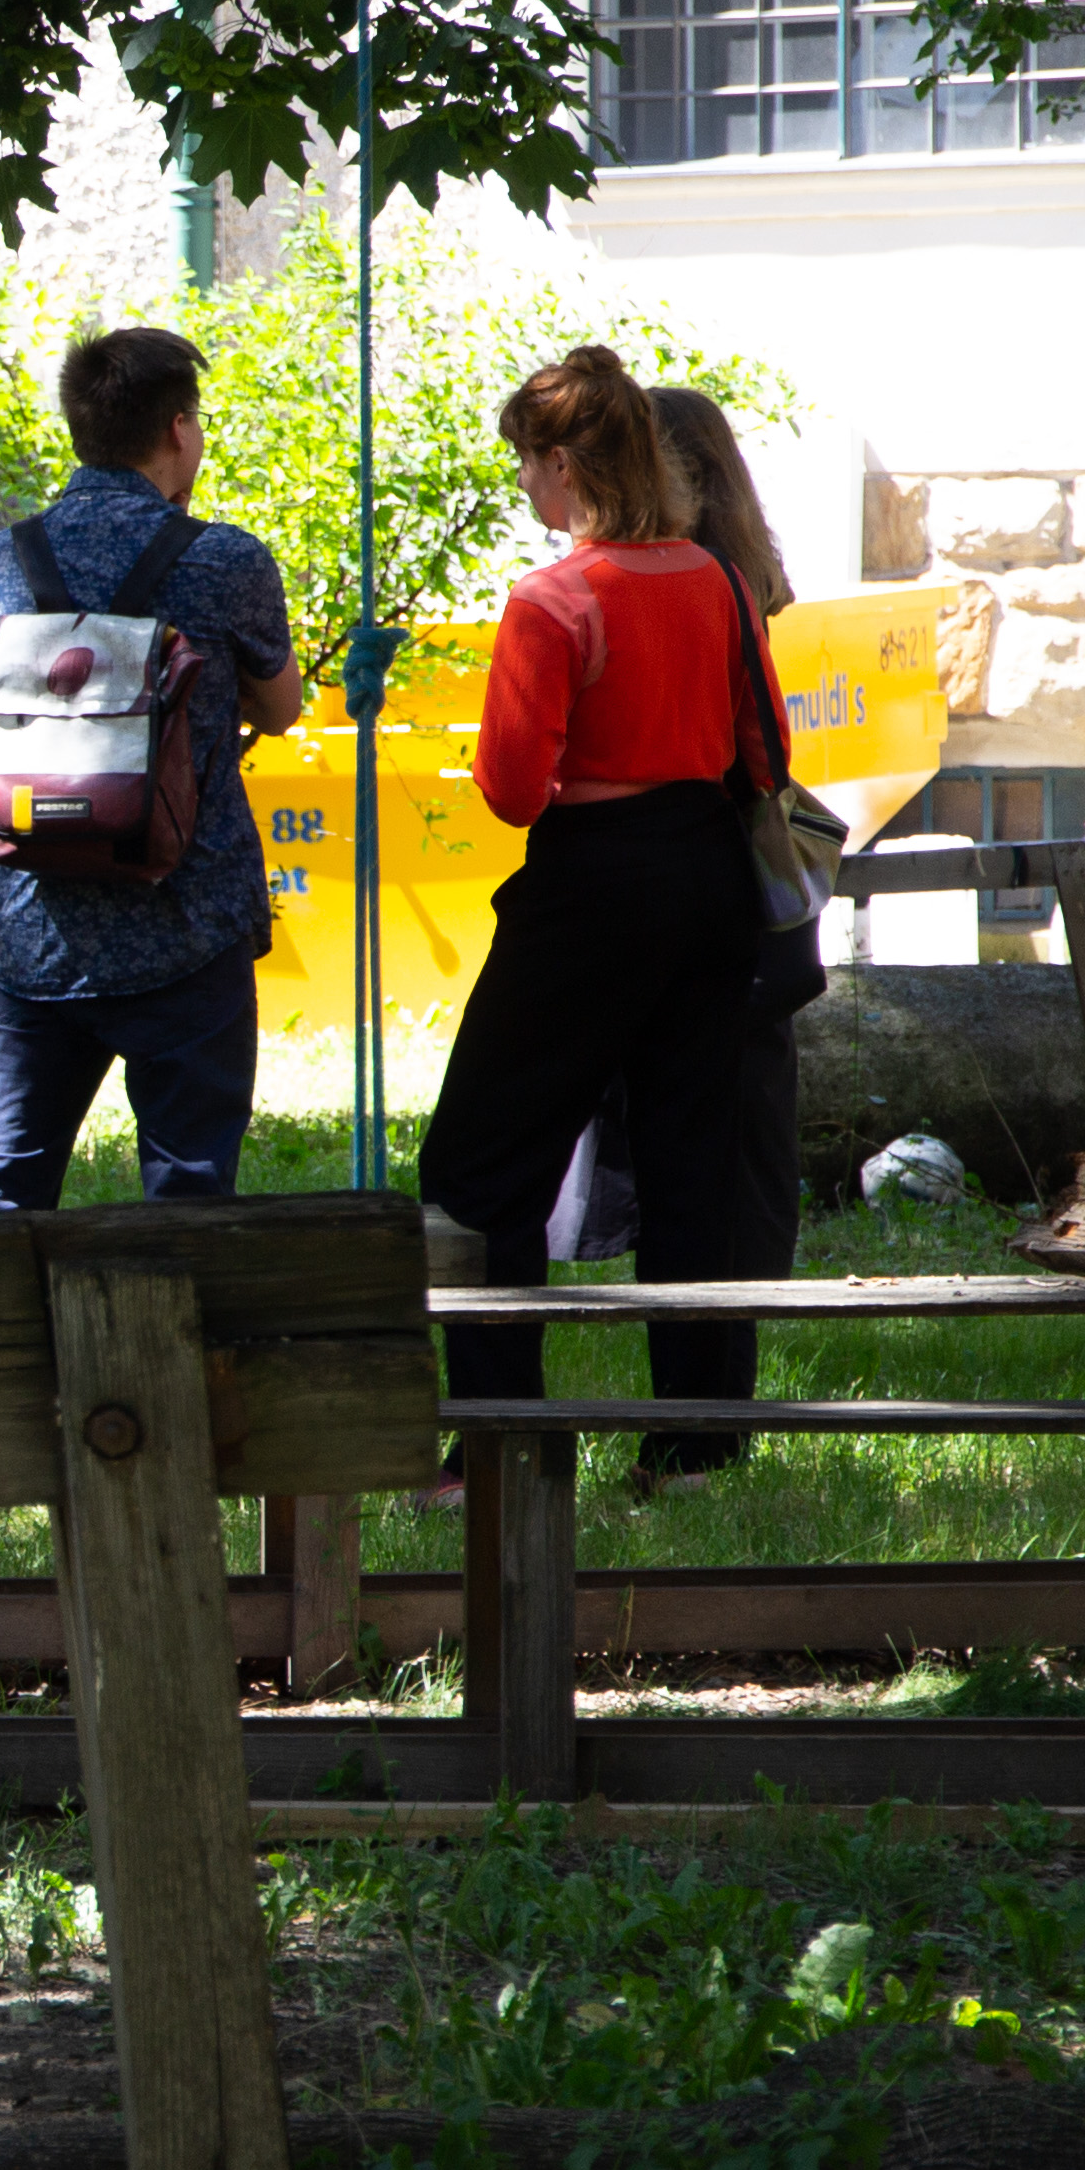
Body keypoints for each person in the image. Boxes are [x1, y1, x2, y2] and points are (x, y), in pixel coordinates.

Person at [419, 344, 790, 1499]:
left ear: (566, 461)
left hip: (591, 887)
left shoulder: (554, 599)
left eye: (528, 463)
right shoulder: (717, 580)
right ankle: (694, 1445)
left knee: (479, 1167)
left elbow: (514, 790)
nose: (525, 487)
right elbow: (767, 750)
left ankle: (498, 1445)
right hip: (708, 878)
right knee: (692, 1165)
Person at [0, 328, 310, 1209]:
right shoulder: (225, 558)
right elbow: (280, 708)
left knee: (3, 1182)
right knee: (189, 1186)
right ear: (180, 429)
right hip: (187, 918)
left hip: (39, 929)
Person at [543, 381, 810, 1483]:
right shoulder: (728, 581)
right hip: (732, 911)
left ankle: (692, 1430)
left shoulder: (680, 583)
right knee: (721, 1173)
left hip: (660, 907)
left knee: (688, 1174)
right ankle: (705, 1429)